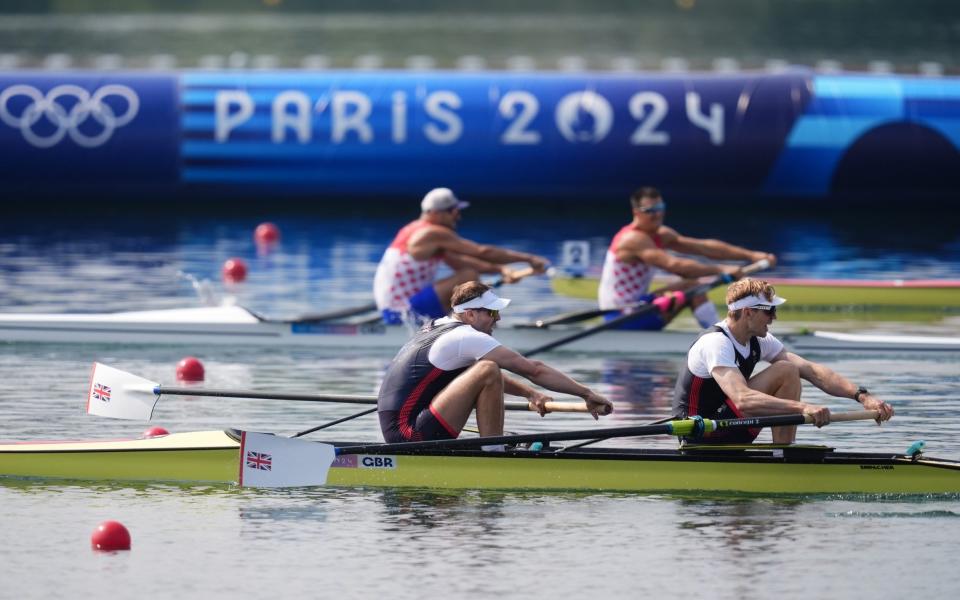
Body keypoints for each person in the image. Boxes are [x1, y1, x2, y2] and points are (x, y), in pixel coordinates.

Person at [377, 281, 614, 447]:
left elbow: (472, 376)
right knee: (489, 368)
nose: (498, 319)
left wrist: (530, 393)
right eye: (492, 313)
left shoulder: (436, 325)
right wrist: (586, 393)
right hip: (411, 435)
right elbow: (534, 369)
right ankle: (493, 452)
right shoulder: (465, 337)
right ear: (470, 314)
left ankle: (490, 448)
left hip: (400, 428)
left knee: (484, 369)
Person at [673, 278, 895, 444]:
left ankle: (784, 452)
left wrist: (863, 397)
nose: (774, 318)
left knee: (789, 369)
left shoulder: (761, 340)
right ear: (748, 312)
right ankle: (784, 457)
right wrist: (804, 408)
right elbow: (744, 400)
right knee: (785, 371)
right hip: (701, 435)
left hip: (732, 426)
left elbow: (811, 370)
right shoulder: (716, 343)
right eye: (770, 311)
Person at [598, 186, 777, 330]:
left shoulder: (660, 234)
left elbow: (703, 247)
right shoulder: (632, 239)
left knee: (691, 284)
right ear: (636, 212)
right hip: (620, 316)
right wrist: (721, 269)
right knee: (693, 284)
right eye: (650, 210)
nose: (657, 214)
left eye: (660, 208)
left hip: (639, 305)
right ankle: (722, 337)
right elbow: (675, 265)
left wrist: (751, 255)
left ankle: (720, 334)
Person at [373, 187, 549, 325]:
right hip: (401, 313)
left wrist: (502, 270)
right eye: (453, 211)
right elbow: (482, 252)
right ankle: (477, 324)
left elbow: (463, 262)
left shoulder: (418, 232)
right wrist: (529, 259)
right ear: (436, 213)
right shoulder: (431, 233)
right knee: (469, 278)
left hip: (401, 307)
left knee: (468, 274)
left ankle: (468, 322)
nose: (457, 216)